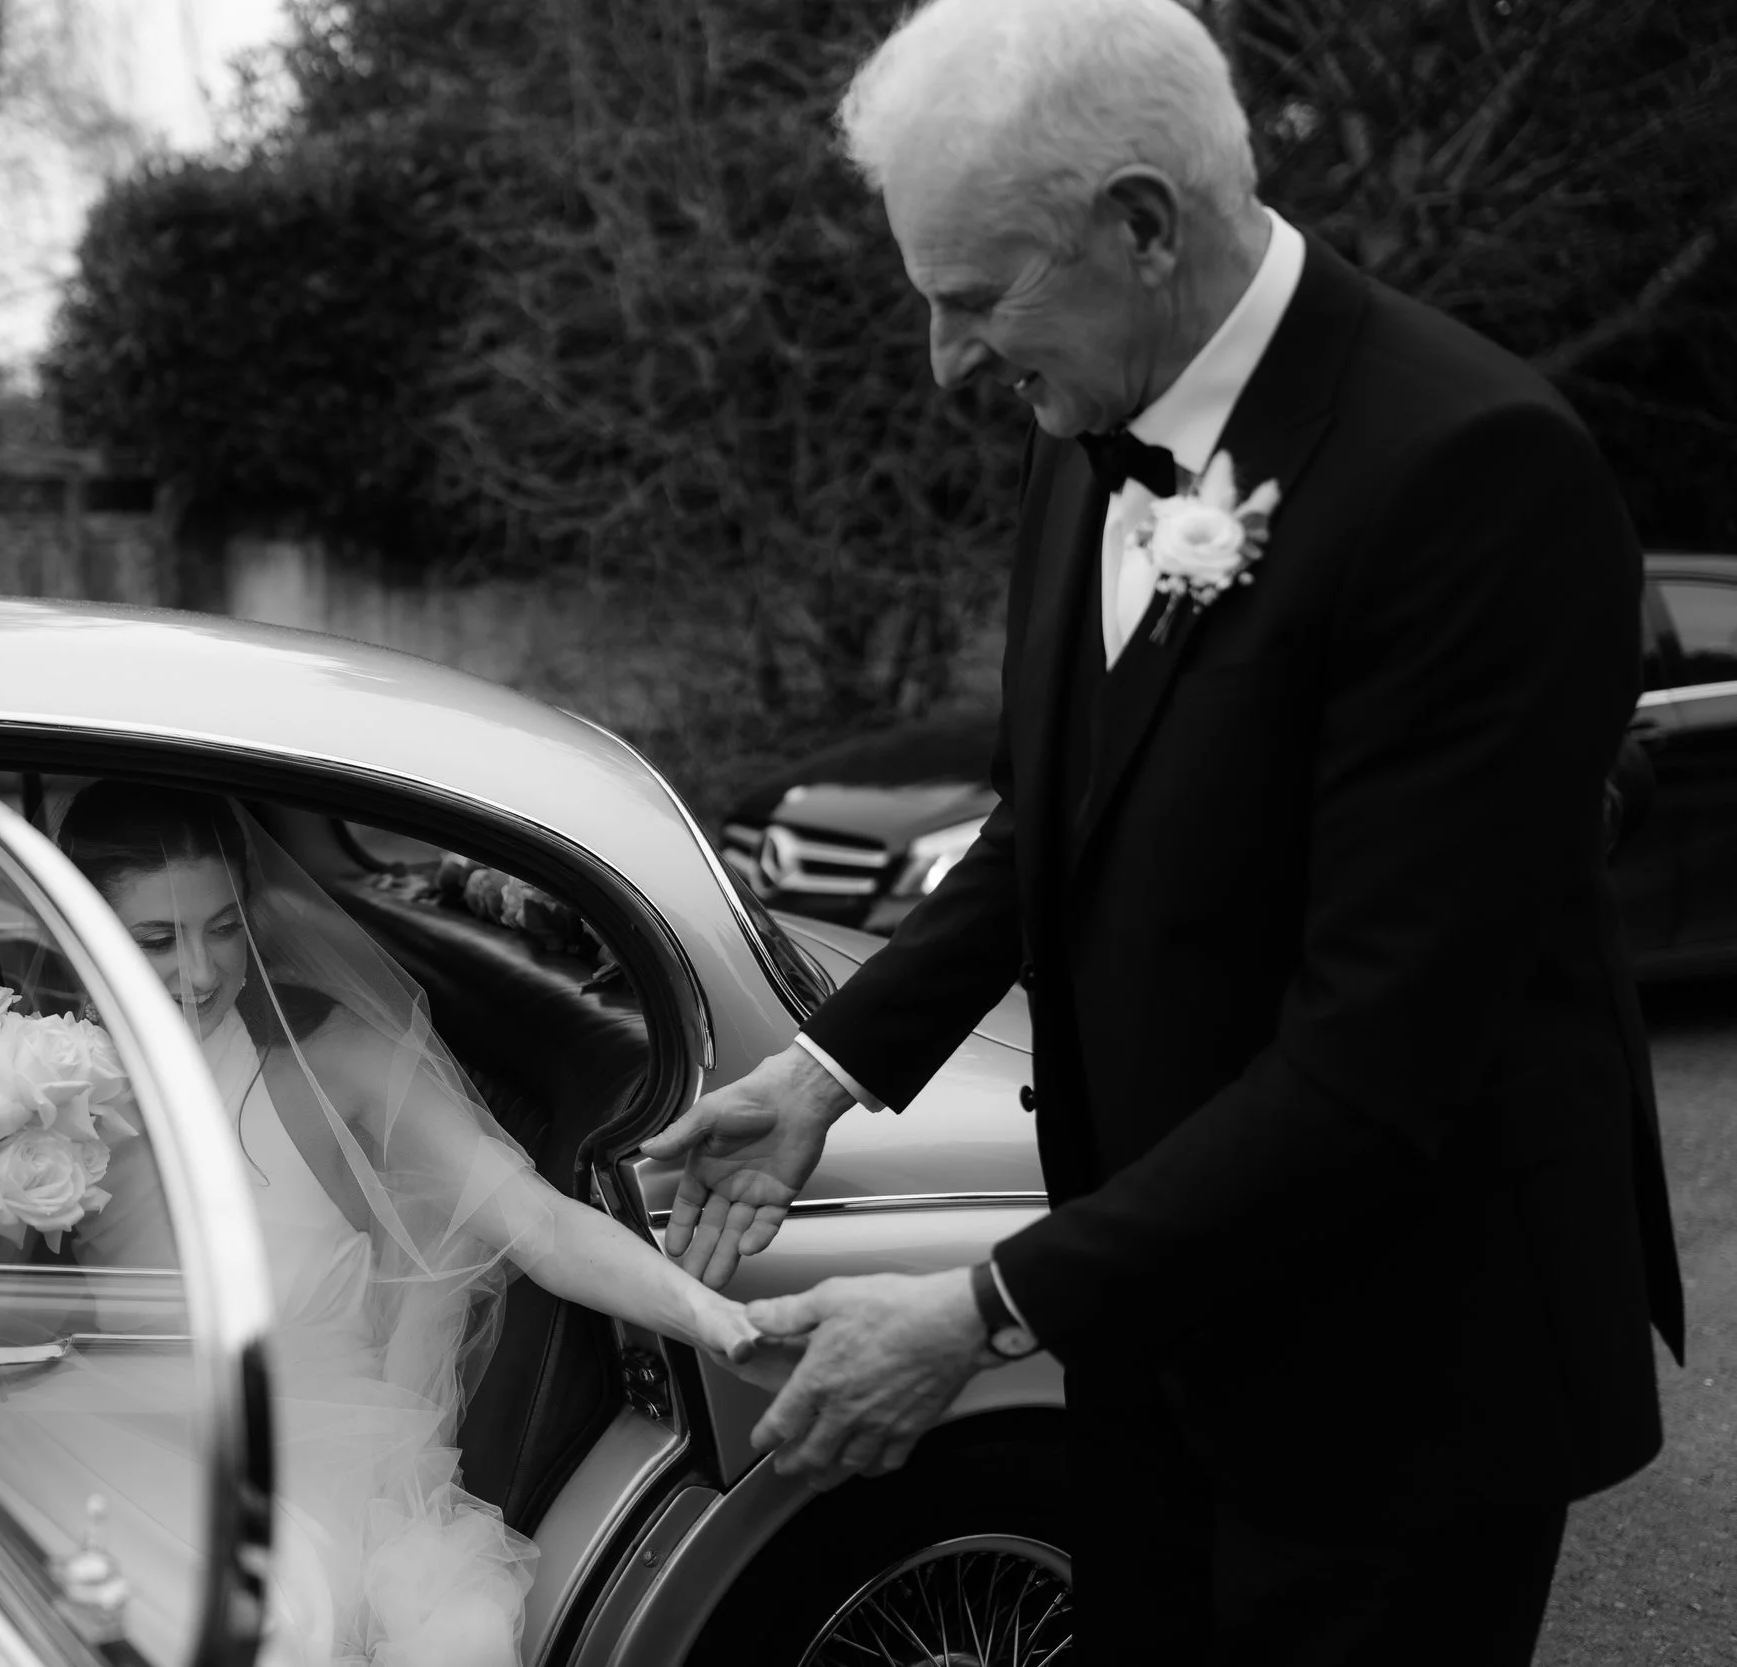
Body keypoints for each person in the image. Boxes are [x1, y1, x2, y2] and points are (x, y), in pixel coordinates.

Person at [640, 1, 1683, 1661]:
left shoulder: (1478, 472)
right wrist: (826, 1073)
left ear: (1142, 223)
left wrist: (982, 1310)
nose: (946, 361)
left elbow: (1379, 1058)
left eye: (975, 297)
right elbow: (1053, 825)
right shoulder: (1089, 419)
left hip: (1403, 1384)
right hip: (1154, 1336)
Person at [4, 781, 772, 1667]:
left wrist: (718, 1319)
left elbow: (543, 1227)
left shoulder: (331, 1064)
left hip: (298, 1460)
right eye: (156, 939)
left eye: (222, 927)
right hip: (105, 1419)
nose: (203, 972)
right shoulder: (46, 1077)